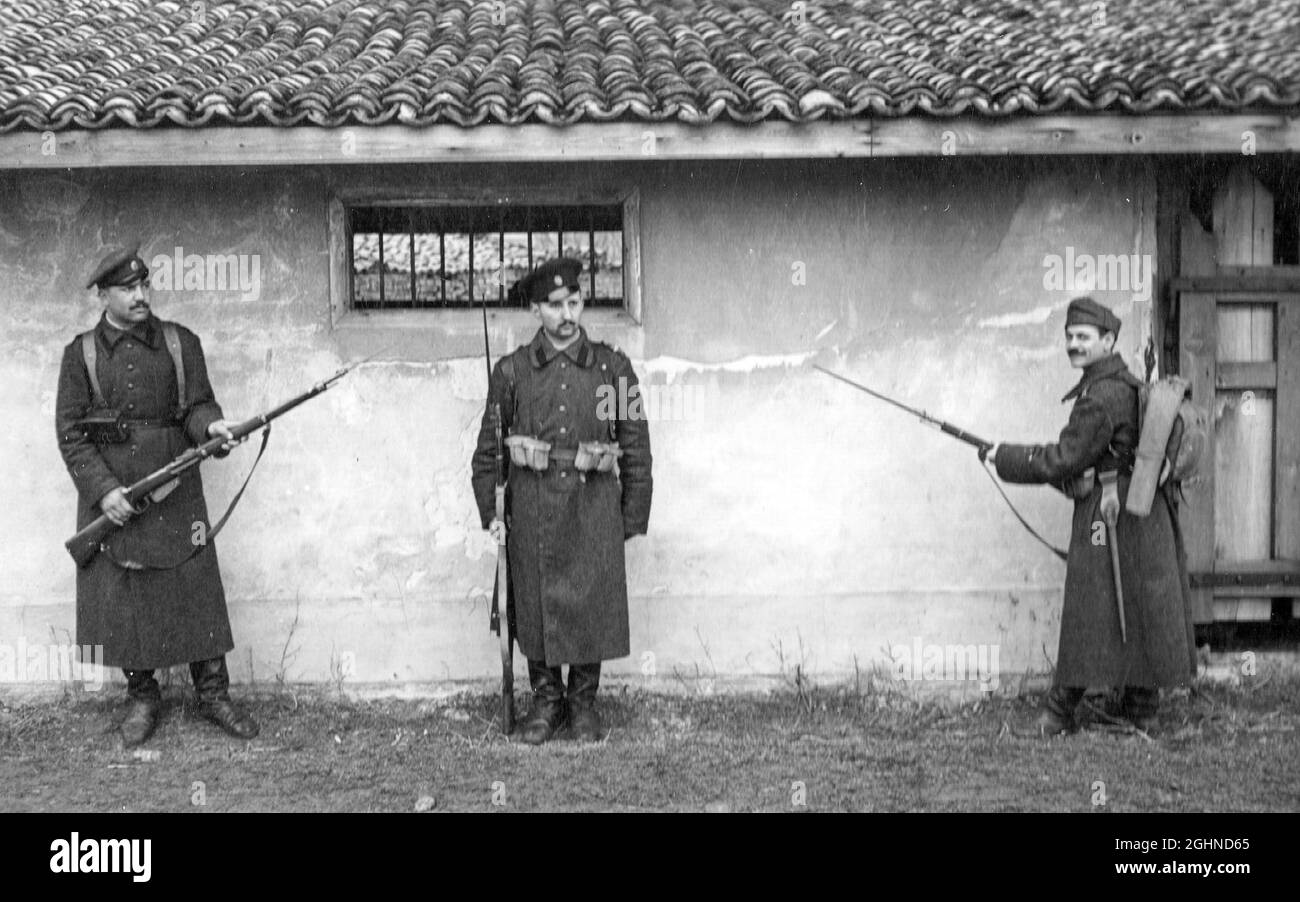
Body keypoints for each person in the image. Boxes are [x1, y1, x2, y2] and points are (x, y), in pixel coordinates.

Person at [55, 246, 259, 746]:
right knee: (126, 597)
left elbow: (196, 406)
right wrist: (103, 493)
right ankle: (143, 698)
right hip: (117, 494)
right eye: (128, 289)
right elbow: (70, 432)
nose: (141, 296)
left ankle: (213, 695)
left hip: (174, 489)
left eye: (145, 286)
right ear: (103, 295)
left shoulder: (179, 342)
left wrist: (212, 425)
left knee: (195, 586)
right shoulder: (79, 354)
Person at [984, 297, 1197, 735]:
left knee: (1088, 607)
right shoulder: (1126, 383)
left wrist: (1004, 457)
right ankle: (1142, 709)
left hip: (1109, 513)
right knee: (1140, 606)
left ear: (1108, 341)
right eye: (1069, 337)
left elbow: (1064, 459)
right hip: (1145, 513)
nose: (1074, 345)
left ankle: (1059, 713)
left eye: (1083, 337)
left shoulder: (1100, 396)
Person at [471, 257, 653, 744]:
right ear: (536, 310)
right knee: (535, 602)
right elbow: (489, 450)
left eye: (574, 302)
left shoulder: (615, 369)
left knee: (590, 600)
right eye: (555, 306)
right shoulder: (510, 373)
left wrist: (631, 517)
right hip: (532, 506)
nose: (568, 314)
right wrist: (492, 513)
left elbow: (635, 442)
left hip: (594, 505)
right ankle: (547, 701)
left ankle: (583, 701)